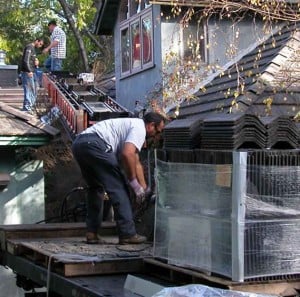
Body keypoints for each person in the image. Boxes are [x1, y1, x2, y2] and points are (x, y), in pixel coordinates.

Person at [71, 112, 166, 244]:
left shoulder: (130, 125)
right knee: (119, 188)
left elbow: (135, 161)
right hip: (95, 144)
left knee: (95, 189)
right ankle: (127, 234)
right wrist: (133, 183)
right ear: (151, 125)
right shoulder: (139, 128)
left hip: (79, 144)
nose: (156, 135)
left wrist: (144, 188)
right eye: (157, 131)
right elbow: (127, 154)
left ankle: (91, 233)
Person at [20, 38, 44, 112]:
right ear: (37, 41)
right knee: (28, 89)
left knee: (34, 89)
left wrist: (36, 63)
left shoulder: (33, 49)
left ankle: (29, 106)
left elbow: (31, 60)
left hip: (33, 72)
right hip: (27, 72)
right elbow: (25, 60)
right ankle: (27, 108)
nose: (40, 46)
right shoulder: (29, 47)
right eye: (40, 44)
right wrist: (28, 70)